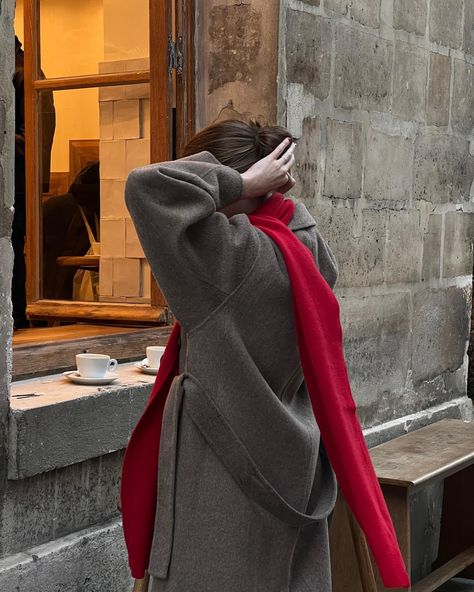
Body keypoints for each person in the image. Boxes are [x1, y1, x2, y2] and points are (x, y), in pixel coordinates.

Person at [121, 120, 409, 591]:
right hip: (295, 456)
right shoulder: (306, 246)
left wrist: (242, 182)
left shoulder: (223, 259)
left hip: (218, 478)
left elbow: (146, 187)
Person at [12, 35, 55, 328]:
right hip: (17, 176)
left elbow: (33, 136)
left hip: (15, 178)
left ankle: (14, 320)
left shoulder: (23, 72)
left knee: (11, 247)